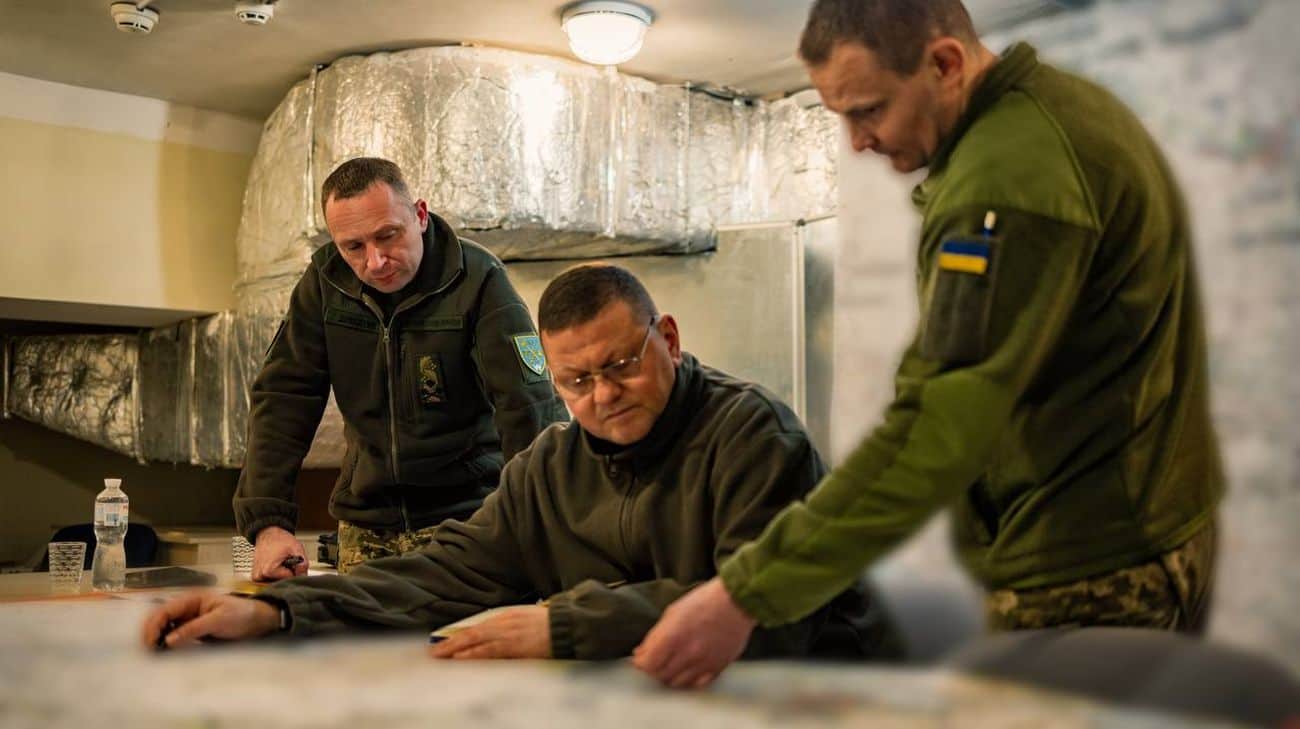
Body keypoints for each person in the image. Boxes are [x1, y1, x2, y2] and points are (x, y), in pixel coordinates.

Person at [634, 0, 1223, 688]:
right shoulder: (1060, 112)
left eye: (869, 110)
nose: (858, 141)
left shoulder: (1004, 181)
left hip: (1092, 571)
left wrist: (744, 594)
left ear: (945, 64)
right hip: (1149, 530)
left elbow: (932, 430)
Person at [143, 264, 897, 660]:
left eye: (622, 364)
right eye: (576, 381)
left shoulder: (752, 435)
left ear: (667, 337)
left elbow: (766, 616)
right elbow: (443, 572)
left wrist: (564, 626)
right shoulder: (551, 467)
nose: (604, 395)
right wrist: (276, 610)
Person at [233, 157, 567, 580]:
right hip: (366, 524)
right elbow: (283, 400)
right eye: (353, 247)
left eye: (387, 235)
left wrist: (537, 521)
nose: (376, 261)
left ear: (420, 216)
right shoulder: (324, 283)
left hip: (467, 519)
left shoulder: (478, 279)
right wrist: (269, 525)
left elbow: (528, 407)